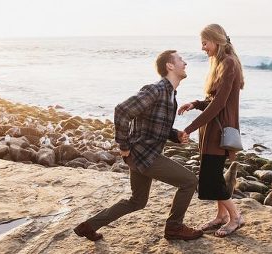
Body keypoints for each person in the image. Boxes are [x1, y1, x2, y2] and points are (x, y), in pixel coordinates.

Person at [73, 50, 203, 241]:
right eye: (181, 60)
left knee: (137, 201)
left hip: (141, 155)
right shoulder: (156, 90)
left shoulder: (169, 95)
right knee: (189, 181)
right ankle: (174, 228)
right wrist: (123, 146)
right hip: (144, 155)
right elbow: (122, 110)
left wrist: (176, 135)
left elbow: (158, 126)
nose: (185, 63)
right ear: (170, 66)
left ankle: (88, 226)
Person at [177, 24, 245, 238]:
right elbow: (212, 100)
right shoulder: (221, 63)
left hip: (219, 130)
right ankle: (221, 216)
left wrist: (189, 128)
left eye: (205, 43)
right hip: (212, 130)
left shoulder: (229, 63)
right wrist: (195, 104)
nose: (203, 47)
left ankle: (235, 217)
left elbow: (219, 105)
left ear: (216, 40)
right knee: (213, 174)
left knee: (210, 178)